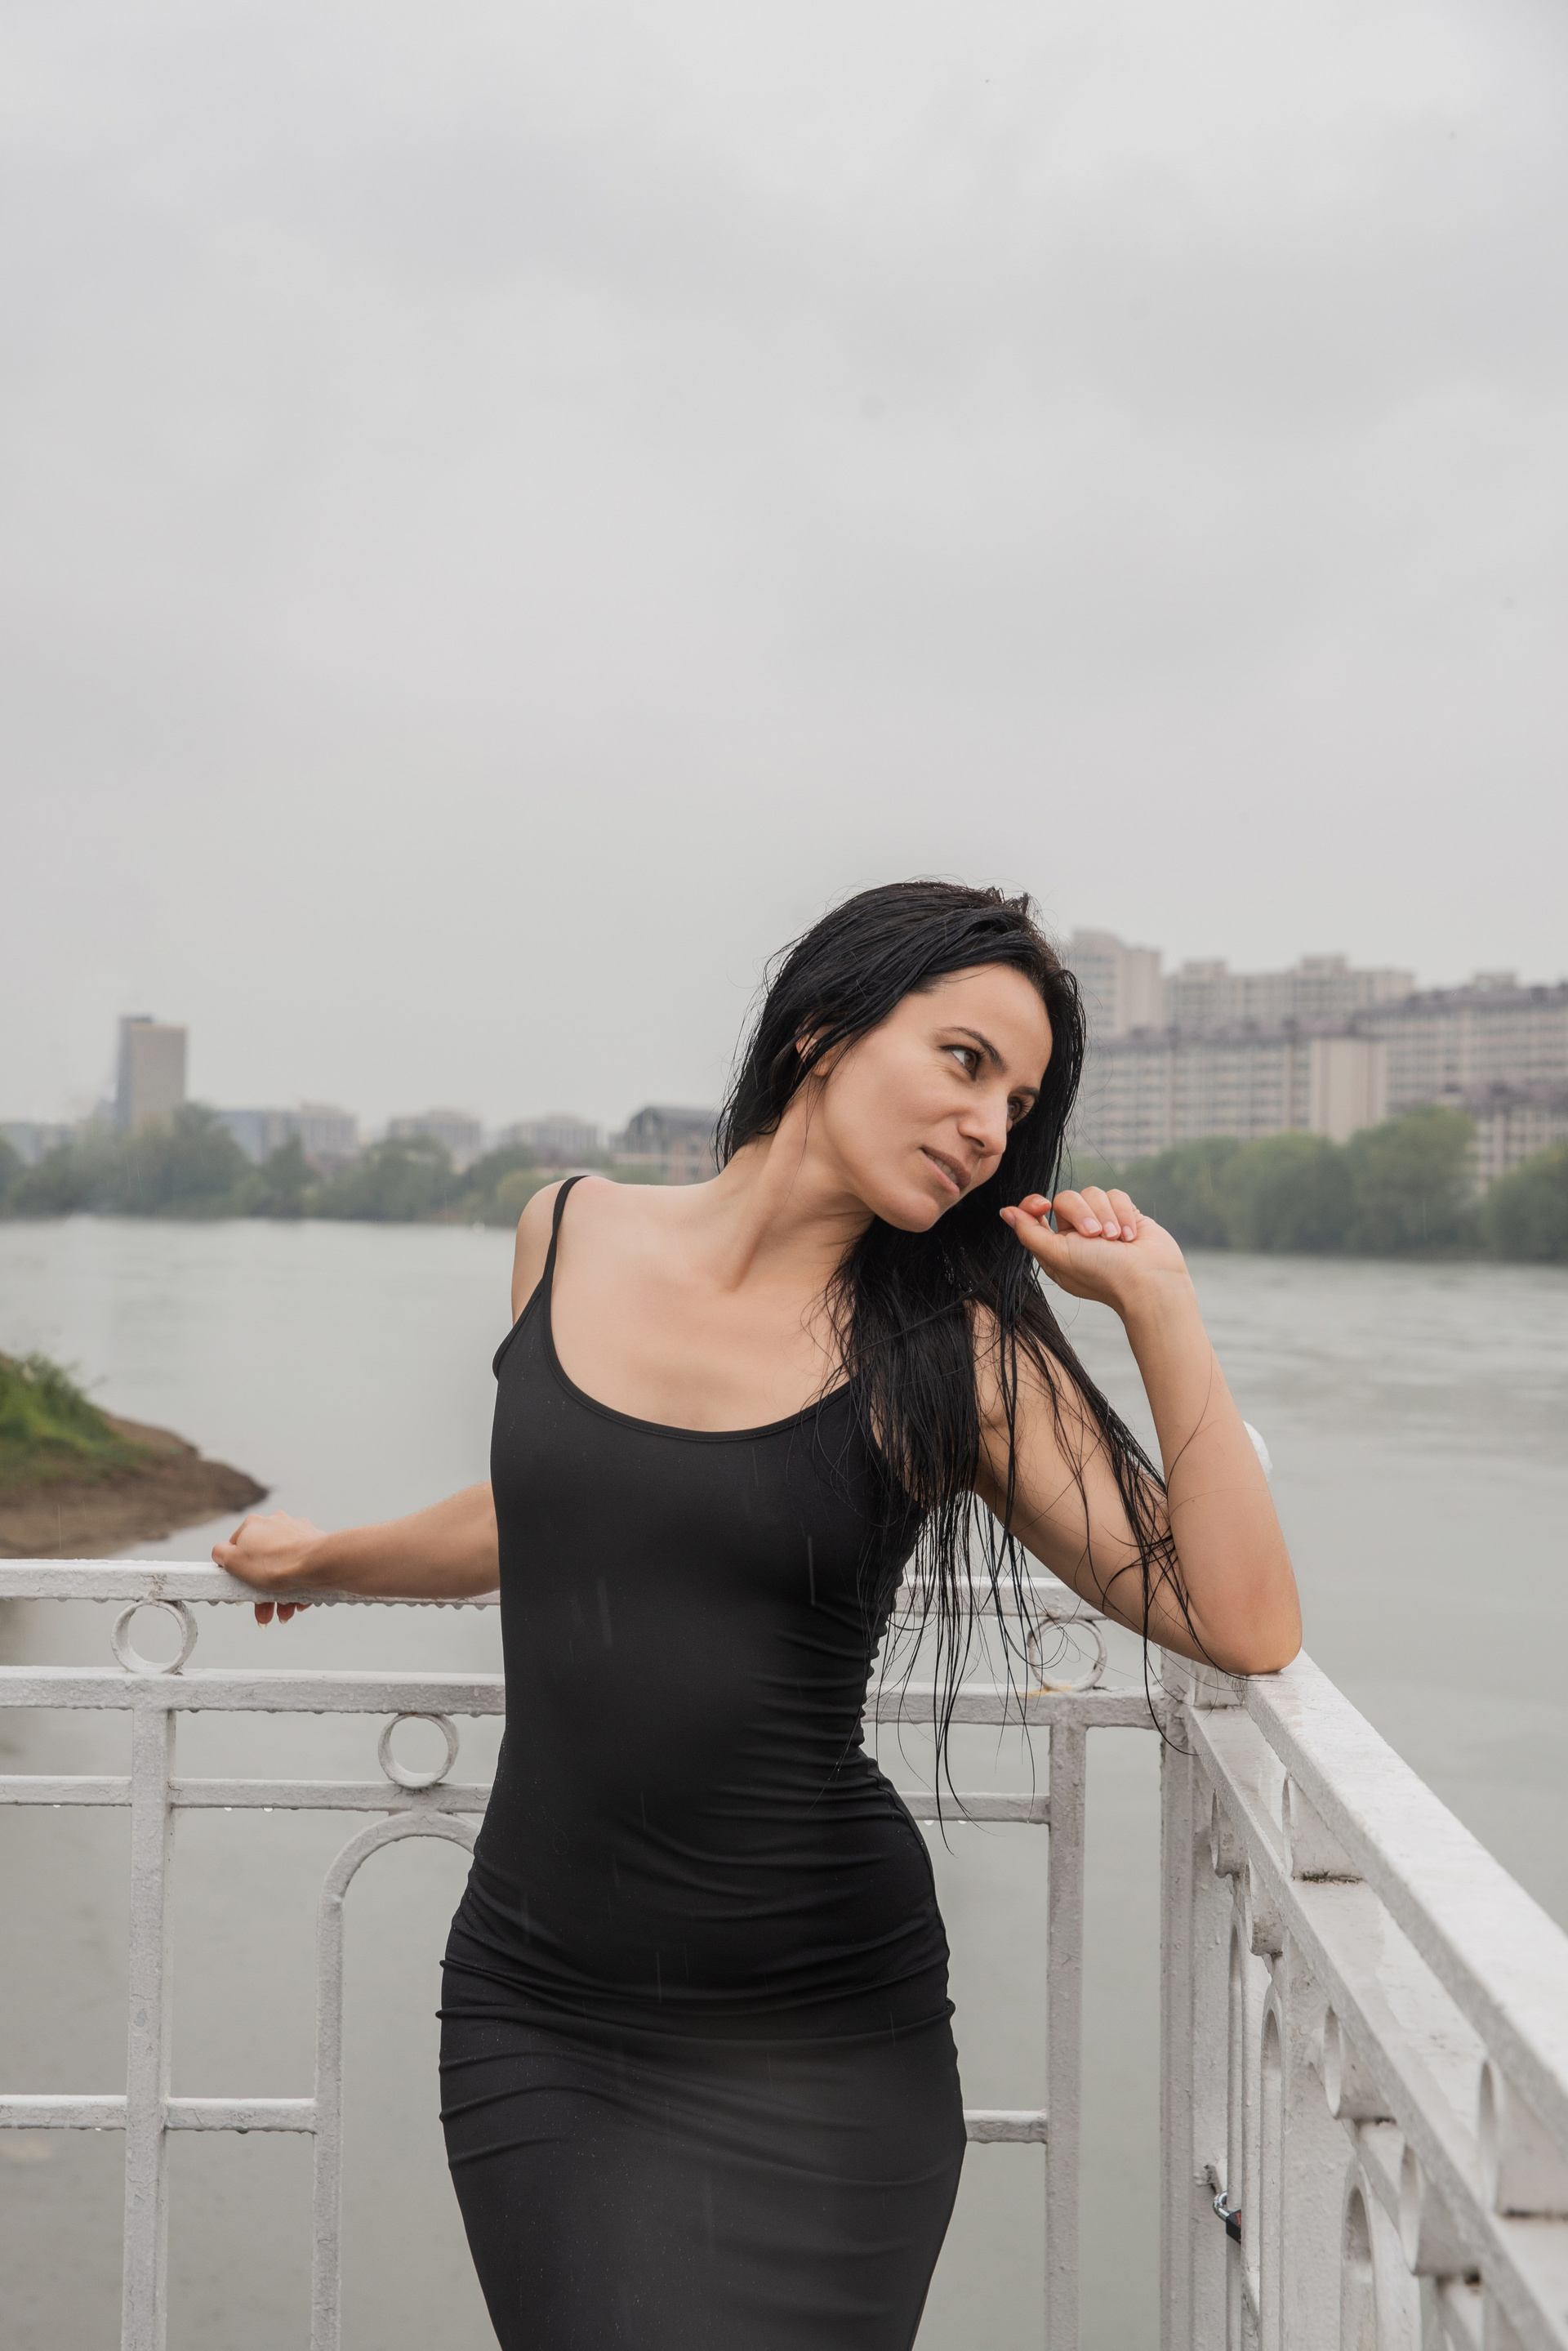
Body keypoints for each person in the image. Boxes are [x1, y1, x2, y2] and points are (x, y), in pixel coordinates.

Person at [216, 879, 1300, 2351]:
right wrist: (326, 1556)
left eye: (1018, 1102)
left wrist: (1160, 1308)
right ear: (822, 1027)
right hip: (542, 2008)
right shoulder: (567, 1229)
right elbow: (560, 1511)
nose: (990, 1126)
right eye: (964, 1060)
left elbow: (1241, 1617)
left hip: (823, 2034)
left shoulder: (958, 1355)